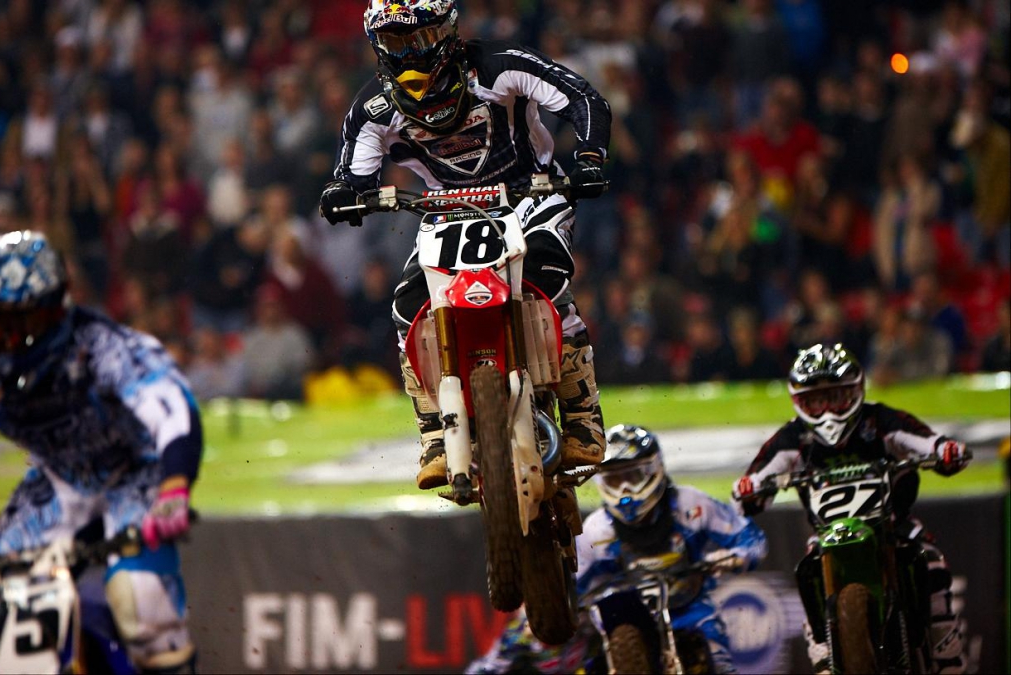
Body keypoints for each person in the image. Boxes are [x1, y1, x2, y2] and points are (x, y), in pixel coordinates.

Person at [320, 0, 612, 489]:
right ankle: (435, 431)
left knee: (545, 277)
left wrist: (589, 158)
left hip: (531, 191)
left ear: (448, 31)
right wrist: (342, 192)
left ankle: (582, 415)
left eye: (419, 38)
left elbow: (583, 99)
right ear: (376, 45)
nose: (409, 54)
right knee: (408, 306)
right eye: (394, 42)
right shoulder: (373, 108)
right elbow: (352, 172)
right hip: (446, 209)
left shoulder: (502, 65)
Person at [0, 231, 200, 672]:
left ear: (51, 309)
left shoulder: (106, 349)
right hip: (60, 482)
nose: (8, 339)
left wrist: (175, 485)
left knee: (140, 598)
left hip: (133, 475)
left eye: (19, 322)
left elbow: (172, 410)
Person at [733, 343, 967, 674]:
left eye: (835, 397)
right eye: (816, 401)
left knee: (929, 560)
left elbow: (925, 440)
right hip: (828, 535)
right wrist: (748, 488)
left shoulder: (881, 420)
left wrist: (945, 450)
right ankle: (822, 651)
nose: (827, 410)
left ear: (856, 390)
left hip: (893, 525)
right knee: (810, 570)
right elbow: (755, 481)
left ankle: (947, 653)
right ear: (800, 402)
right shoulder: (792, 438)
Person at [468, 424, 767, 674]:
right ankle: (490, 666)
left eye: (632, 477)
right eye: (614, 480)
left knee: (720, 662)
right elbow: (566, 588)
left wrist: (737, 558)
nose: (625, 491)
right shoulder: (596, 530)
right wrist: (542, 613)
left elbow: (749, 536)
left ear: (654, 470)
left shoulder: (692, 505)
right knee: (545, 641)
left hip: (690, 609)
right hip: (620, 618)